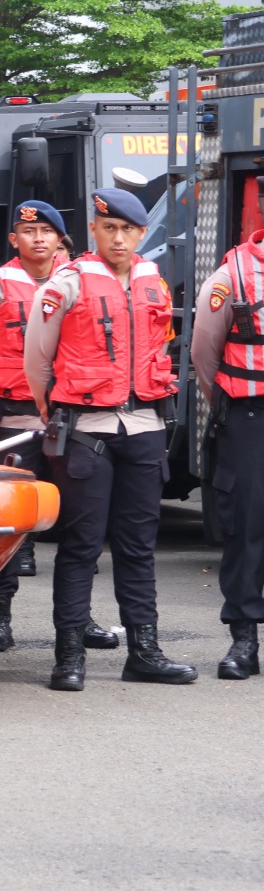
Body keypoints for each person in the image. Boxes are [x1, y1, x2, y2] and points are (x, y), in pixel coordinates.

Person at [23, 187, 195, 692]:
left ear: (142, 233)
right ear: (94, 231)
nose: (118, 238)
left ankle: (145, 651)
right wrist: (52, 407)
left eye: (128, 230)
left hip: (143, 426)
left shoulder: (152, 278)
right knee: (80, 547)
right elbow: (38, 358)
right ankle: (69, 657)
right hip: (86, 430)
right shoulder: (68, 282)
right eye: (109, 228)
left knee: (139, 547)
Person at [0, 201, 118, 653]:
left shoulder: (83, 282)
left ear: (61, 238)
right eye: (28, 231)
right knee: (7, 524)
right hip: (15, 421)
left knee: (81, 526)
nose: (38, 238)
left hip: (72, 422)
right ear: (13, 239)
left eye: (47, 231)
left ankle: (81, 619)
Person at [191, 220, 264, 679]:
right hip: (250, 416)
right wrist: (228, 402)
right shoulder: (231, 274)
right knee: (246, 525)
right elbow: (203, 351)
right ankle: (244, 639)